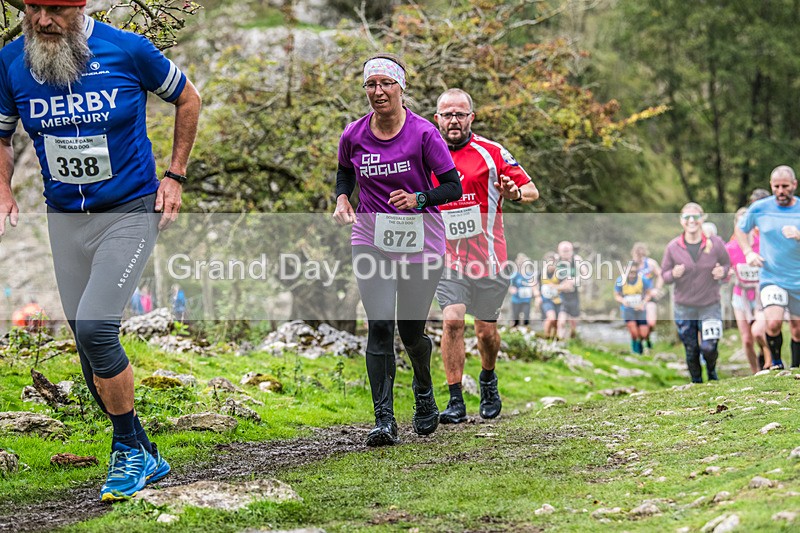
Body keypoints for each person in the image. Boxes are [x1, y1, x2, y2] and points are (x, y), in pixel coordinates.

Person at [0, 0, 201, 500]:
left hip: (129, 211)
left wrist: (175, 176)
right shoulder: (11, 60)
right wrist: (3, 188)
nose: (42, 20)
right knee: (86, 339)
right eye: (33, 7)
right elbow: (1, 134)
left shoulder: (127, 49)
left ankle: (128, 450)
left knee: (94, 327)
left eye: (54, 9)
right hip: (64, 218)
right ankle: (141, 448)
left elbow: (188, 98)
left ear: (80, 5)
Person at [333, 54, 461, 446]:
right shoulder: (353, 134)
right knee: (380, 325)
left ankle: (424, 389)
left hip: (421, 242)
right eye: (371, 84)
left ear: (401, 88)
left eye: (386, 83)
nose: (378, 91)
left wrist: (419, 198)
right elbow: (344, 172)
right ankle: (384, 420)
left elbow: (452, 186)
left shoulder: (423, 133)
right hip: (370, 238)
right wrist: (342, 198)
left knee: (410, 331)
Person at [432, 88, 539, 424]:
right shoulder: (425, 154)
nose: (453, 120)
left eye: (460, 114)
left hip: (489, 258)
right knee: (452, 321)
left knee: (485, 333)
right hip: (448, 259)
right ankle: (455, 399)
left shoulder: (491, 152)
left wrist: (514, 192)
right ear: (437, 119)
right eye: (447, 114)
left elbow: (532, 190)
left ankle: (488, 379)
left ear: (471, 118)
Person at [735, 165, 800, 369]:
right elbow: (740, 229)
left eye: (785, 186)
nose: (781, 191)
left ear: (794, 185)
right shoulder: (760, 208)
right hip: (772, 276)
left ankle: (795, 369)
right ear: (771, 185)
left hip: (797, 279)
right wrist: (748, 252)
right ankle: (777, 364)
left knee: (798, 330)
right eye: (776, 186)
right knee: (773, 323)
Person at [661, 203, 730, 383]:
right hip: (684, 307)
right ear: (681, 221)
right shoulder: (673, 247)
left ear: (702, 219)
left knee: (709, 346)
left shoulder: (715, 243)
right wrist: (673, 274)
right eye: (687, 217)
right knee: (691, 349)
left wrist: (722, 271)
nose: (691, 220)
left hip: (710, 304)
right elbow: (664, 275)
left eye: (695, 217)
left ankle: (712, 372)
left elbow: (726, 264)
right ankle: (696, 382)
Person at [726, 207, 769, 373]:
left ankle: (770, 360)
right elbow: (723, 272)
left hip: (761, 295)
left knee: (758, 331)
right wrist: (726, 273)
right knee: (747, 339)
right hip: (740, 296)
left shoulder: (763, 244)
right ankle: (755, 372)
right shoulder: (730, 248)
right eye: (740, 224)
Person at [614, 261, 654, 354]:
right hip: (628, 309)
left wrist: (643, 303)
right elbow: (616, 295)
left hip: (640, 309)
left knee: (643, 333)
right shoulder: (620, 280)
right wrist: (623, 301)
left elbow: (649, 294)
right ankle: (636, 350)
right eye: (630, 272)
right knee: (634, 331)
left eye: (634, 272)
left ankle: (646, 341)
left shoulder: (643, 279)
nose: (632, 275)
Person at [631, 242, 664, 353]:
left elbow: (660, 275)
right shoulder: (630, 266)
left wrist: (657, 289)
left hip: (650, 296)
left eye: (641, 255)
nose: (639, 257)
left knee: (651, 322)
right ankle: (638, 346)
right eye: (637, 255)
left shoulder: (650, 264)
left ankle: (647, 338)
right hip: (636, 297)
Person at [556, 241, 582, 339]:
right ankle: (559, 341)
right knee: (561, 322)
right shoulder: (556, 260)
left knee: (573, 322)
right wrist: (560, 286)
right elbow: (547, 277)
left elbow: (585, 275)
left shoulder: (576, 260)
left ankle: (573, 340)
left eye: (568, 251)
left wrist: (573, 281)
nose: (566, 253)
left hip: (574, 294)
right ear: (559, 251)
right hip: (560, 295)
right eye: (564, 251)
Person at [535, 251, 562, 340]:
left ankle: (555, 339)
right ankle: (546, 337)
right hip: (546, 300)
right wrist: (537, 296)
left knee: (556, 321)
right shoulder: (540, 273)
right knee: (551, 318)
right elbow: (534, 285)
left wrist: (556, 286)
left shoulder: (559, 273)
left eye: (553, 263)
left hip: (558, 300)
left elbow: (565, 285)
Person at [509, 253, 534, 327]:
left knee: (526, 319)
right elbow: (509, 286)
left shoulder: (529, 274)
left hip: (526, 300)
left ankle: (526, 331)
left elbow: (534, 285)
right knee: (515, 320)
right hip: (516, 300)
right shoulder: (515, 274)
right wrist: (512, 289)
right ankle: (513, 331)